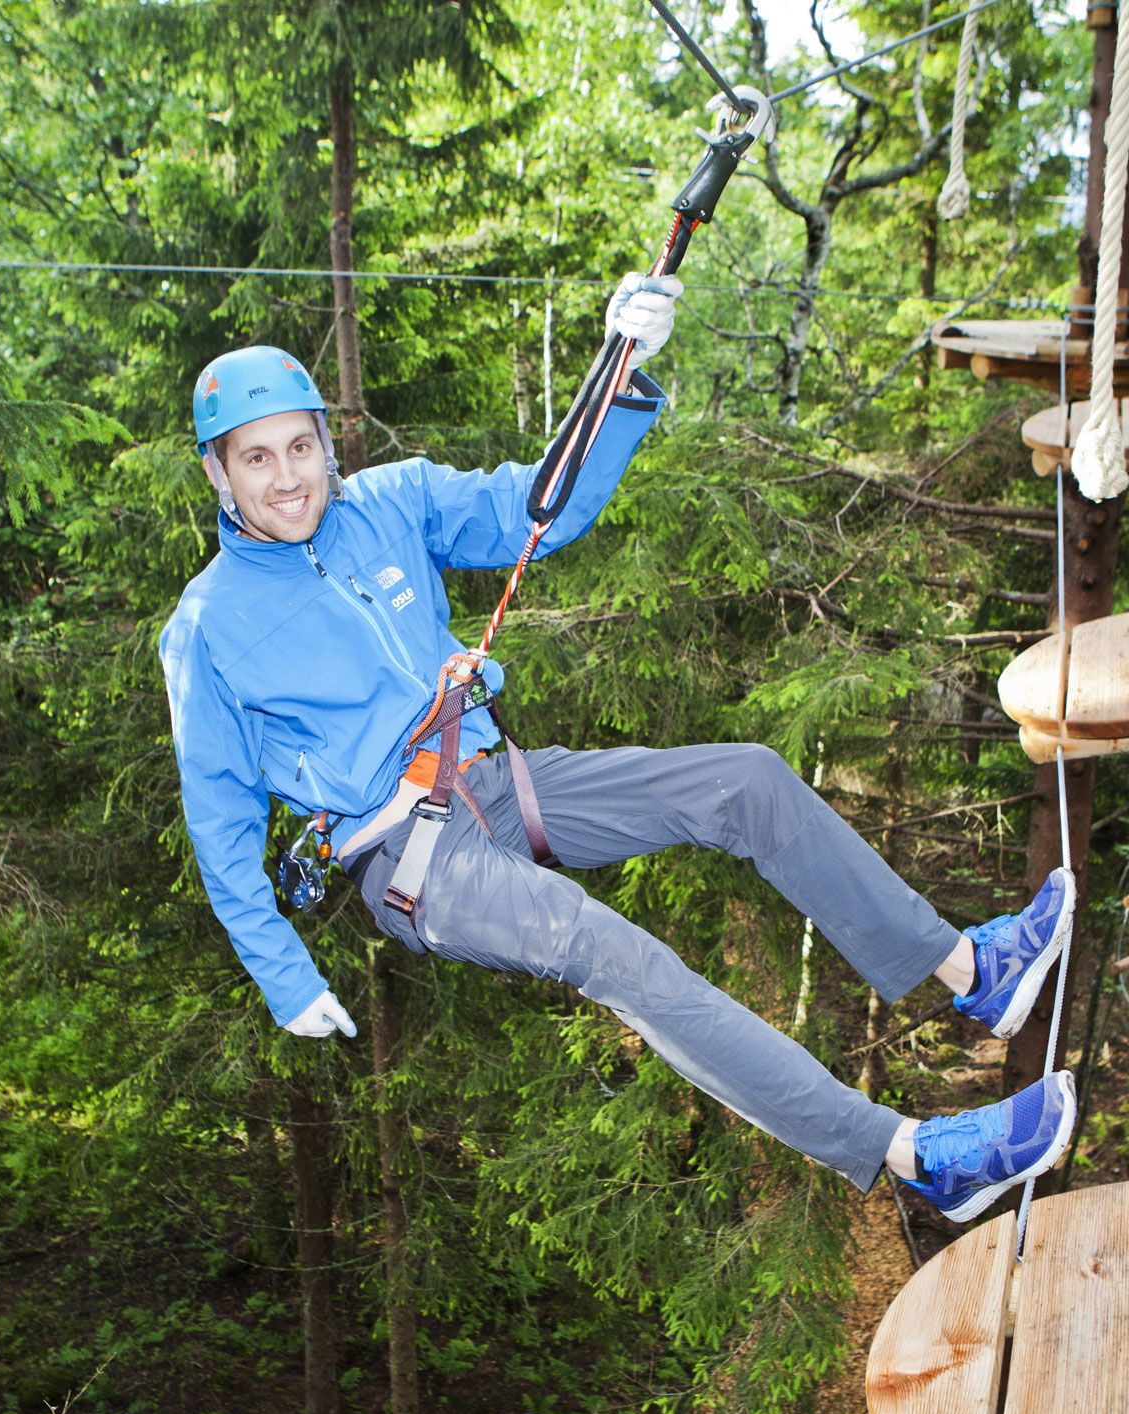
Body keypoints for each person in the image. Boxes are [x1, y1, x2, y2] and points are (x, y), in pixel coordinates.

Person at [158, 275, 1077, 1223]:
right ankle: (917, 1154)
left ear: (327, 443)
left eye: (301, 446)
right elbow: (219, 819)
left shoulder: (389, 504)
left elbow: (537, 508)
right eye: (256, 458)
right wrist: (283, 975)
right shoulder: (208, 627)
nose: (288, 476)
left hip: (495, 781)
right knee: (620, 955)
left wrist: (620, 372)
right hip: (409, 859)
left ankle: (974, 973)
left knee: (746, 783)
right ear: (220, 475)